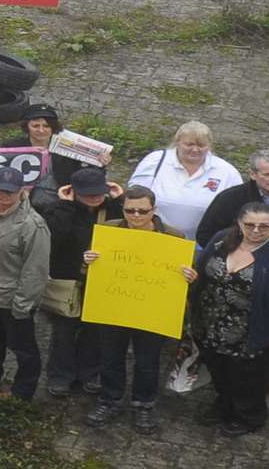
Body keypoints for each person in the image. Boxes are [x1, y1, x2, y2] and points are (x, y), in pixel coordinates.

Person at [192, 204, 269, 436]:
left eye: (264, 226)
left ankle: (249, 417)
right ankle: (224, 404)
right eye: (250, 224)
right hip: (210, 326)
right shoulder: (221, 240)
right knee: (219, 372)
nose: (256, 230)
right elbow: (200, 268)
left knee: (247, 381)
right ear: (239, 223)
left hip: (251, 334)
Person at [82, 185, 195, 433]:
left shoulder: (174, 238)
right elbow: (91, 271)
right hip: (114, 306)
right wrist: (88, 262)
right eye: (129, 211)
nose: (135, 217)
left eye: (142, 211)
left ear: (154, 210)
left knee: (147, 361)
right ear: (122, 209)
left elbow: (182, 277)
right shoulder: (109, 230)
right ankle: (110, 400)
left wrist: (189, 276)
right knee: (111, 357)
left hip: (152, 311)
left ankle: (143, 404)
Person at [40, 168, 125, 398]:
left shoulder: (113, 209)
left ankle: (90, 373)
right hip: (69, 280)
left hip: (102, 281)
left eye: (98, 193)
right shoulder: (57, 210)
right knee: (64, 331)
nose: (95, 198)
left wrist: (121, 200)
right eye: (88, 194)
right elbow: (54, 239)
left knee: (96, 330)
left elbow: (131, 231)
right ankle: (60, 375)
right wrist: (65, 206)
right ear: (73, 192)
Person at [0, 166, 51, 399]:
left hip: (12, 298)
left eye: (10, 192)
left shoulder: (32, 225)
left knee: (23, 349)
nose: (4, 196)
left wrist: (23, 304)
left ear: (22, 191)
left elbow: (35, 270)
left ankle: (22, 391)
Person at [127, 120, 241, 239]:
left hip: (201, 244)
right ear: (177, 142)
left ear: (210, 146)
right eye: (189, 144)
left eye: (201, 145)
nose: (195, 149)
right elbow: (135, 195)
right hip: (153, 237)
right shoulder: (155, 161)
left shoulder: (227, 171)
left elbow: (237, 209)